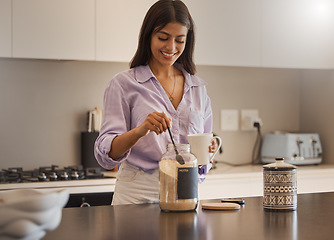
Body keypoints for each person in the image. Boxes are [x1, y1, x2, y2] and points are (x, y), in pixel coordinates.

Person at [94, 0, 216, 205]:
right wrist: (140, 130)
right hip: (136, 197)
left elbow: (202, 159)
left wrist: (208, 152)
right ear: (148, 35)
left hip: (185, 196)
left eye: (180, 40)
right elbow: (106, 156)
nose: (171, 47)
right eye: (163, 37)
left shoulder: (198, 88)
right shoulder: (123, 84)